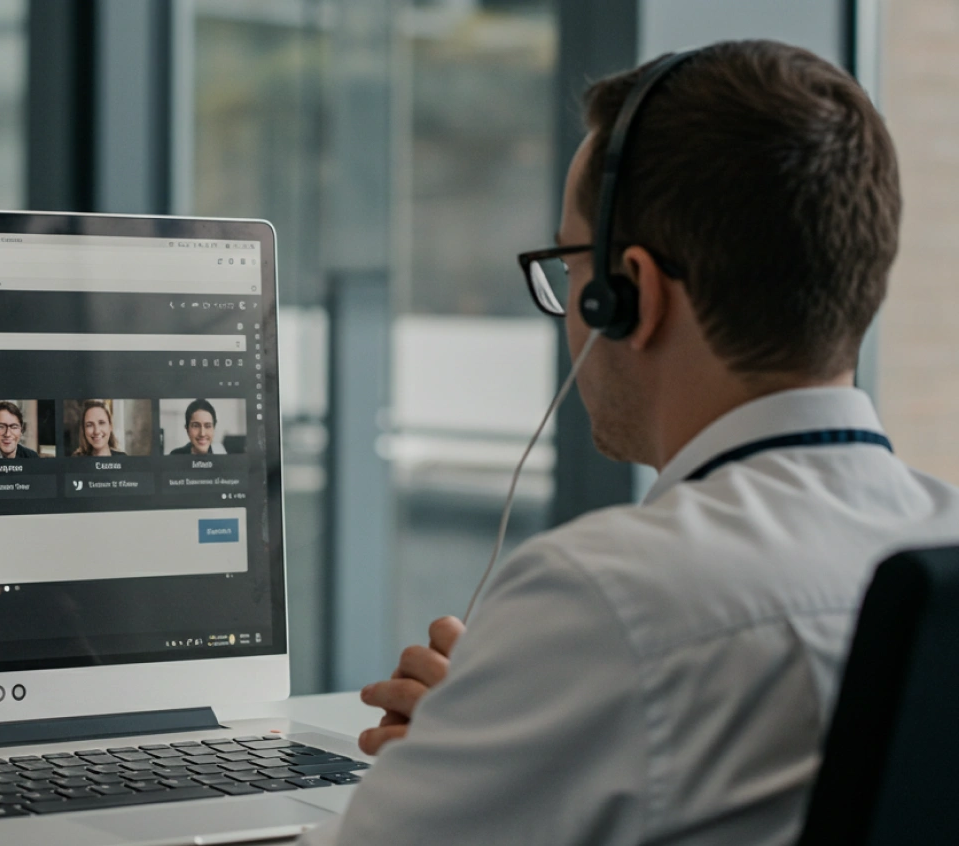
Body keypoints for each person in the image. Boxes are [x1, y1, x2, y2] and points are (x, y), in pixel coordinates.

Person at [300, 40, 959, 846]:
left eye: (570, 264)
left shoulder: (606, 599)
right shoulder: (943, 550)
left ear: (629, 294)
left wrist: (483, 734)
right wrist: (492, 736)